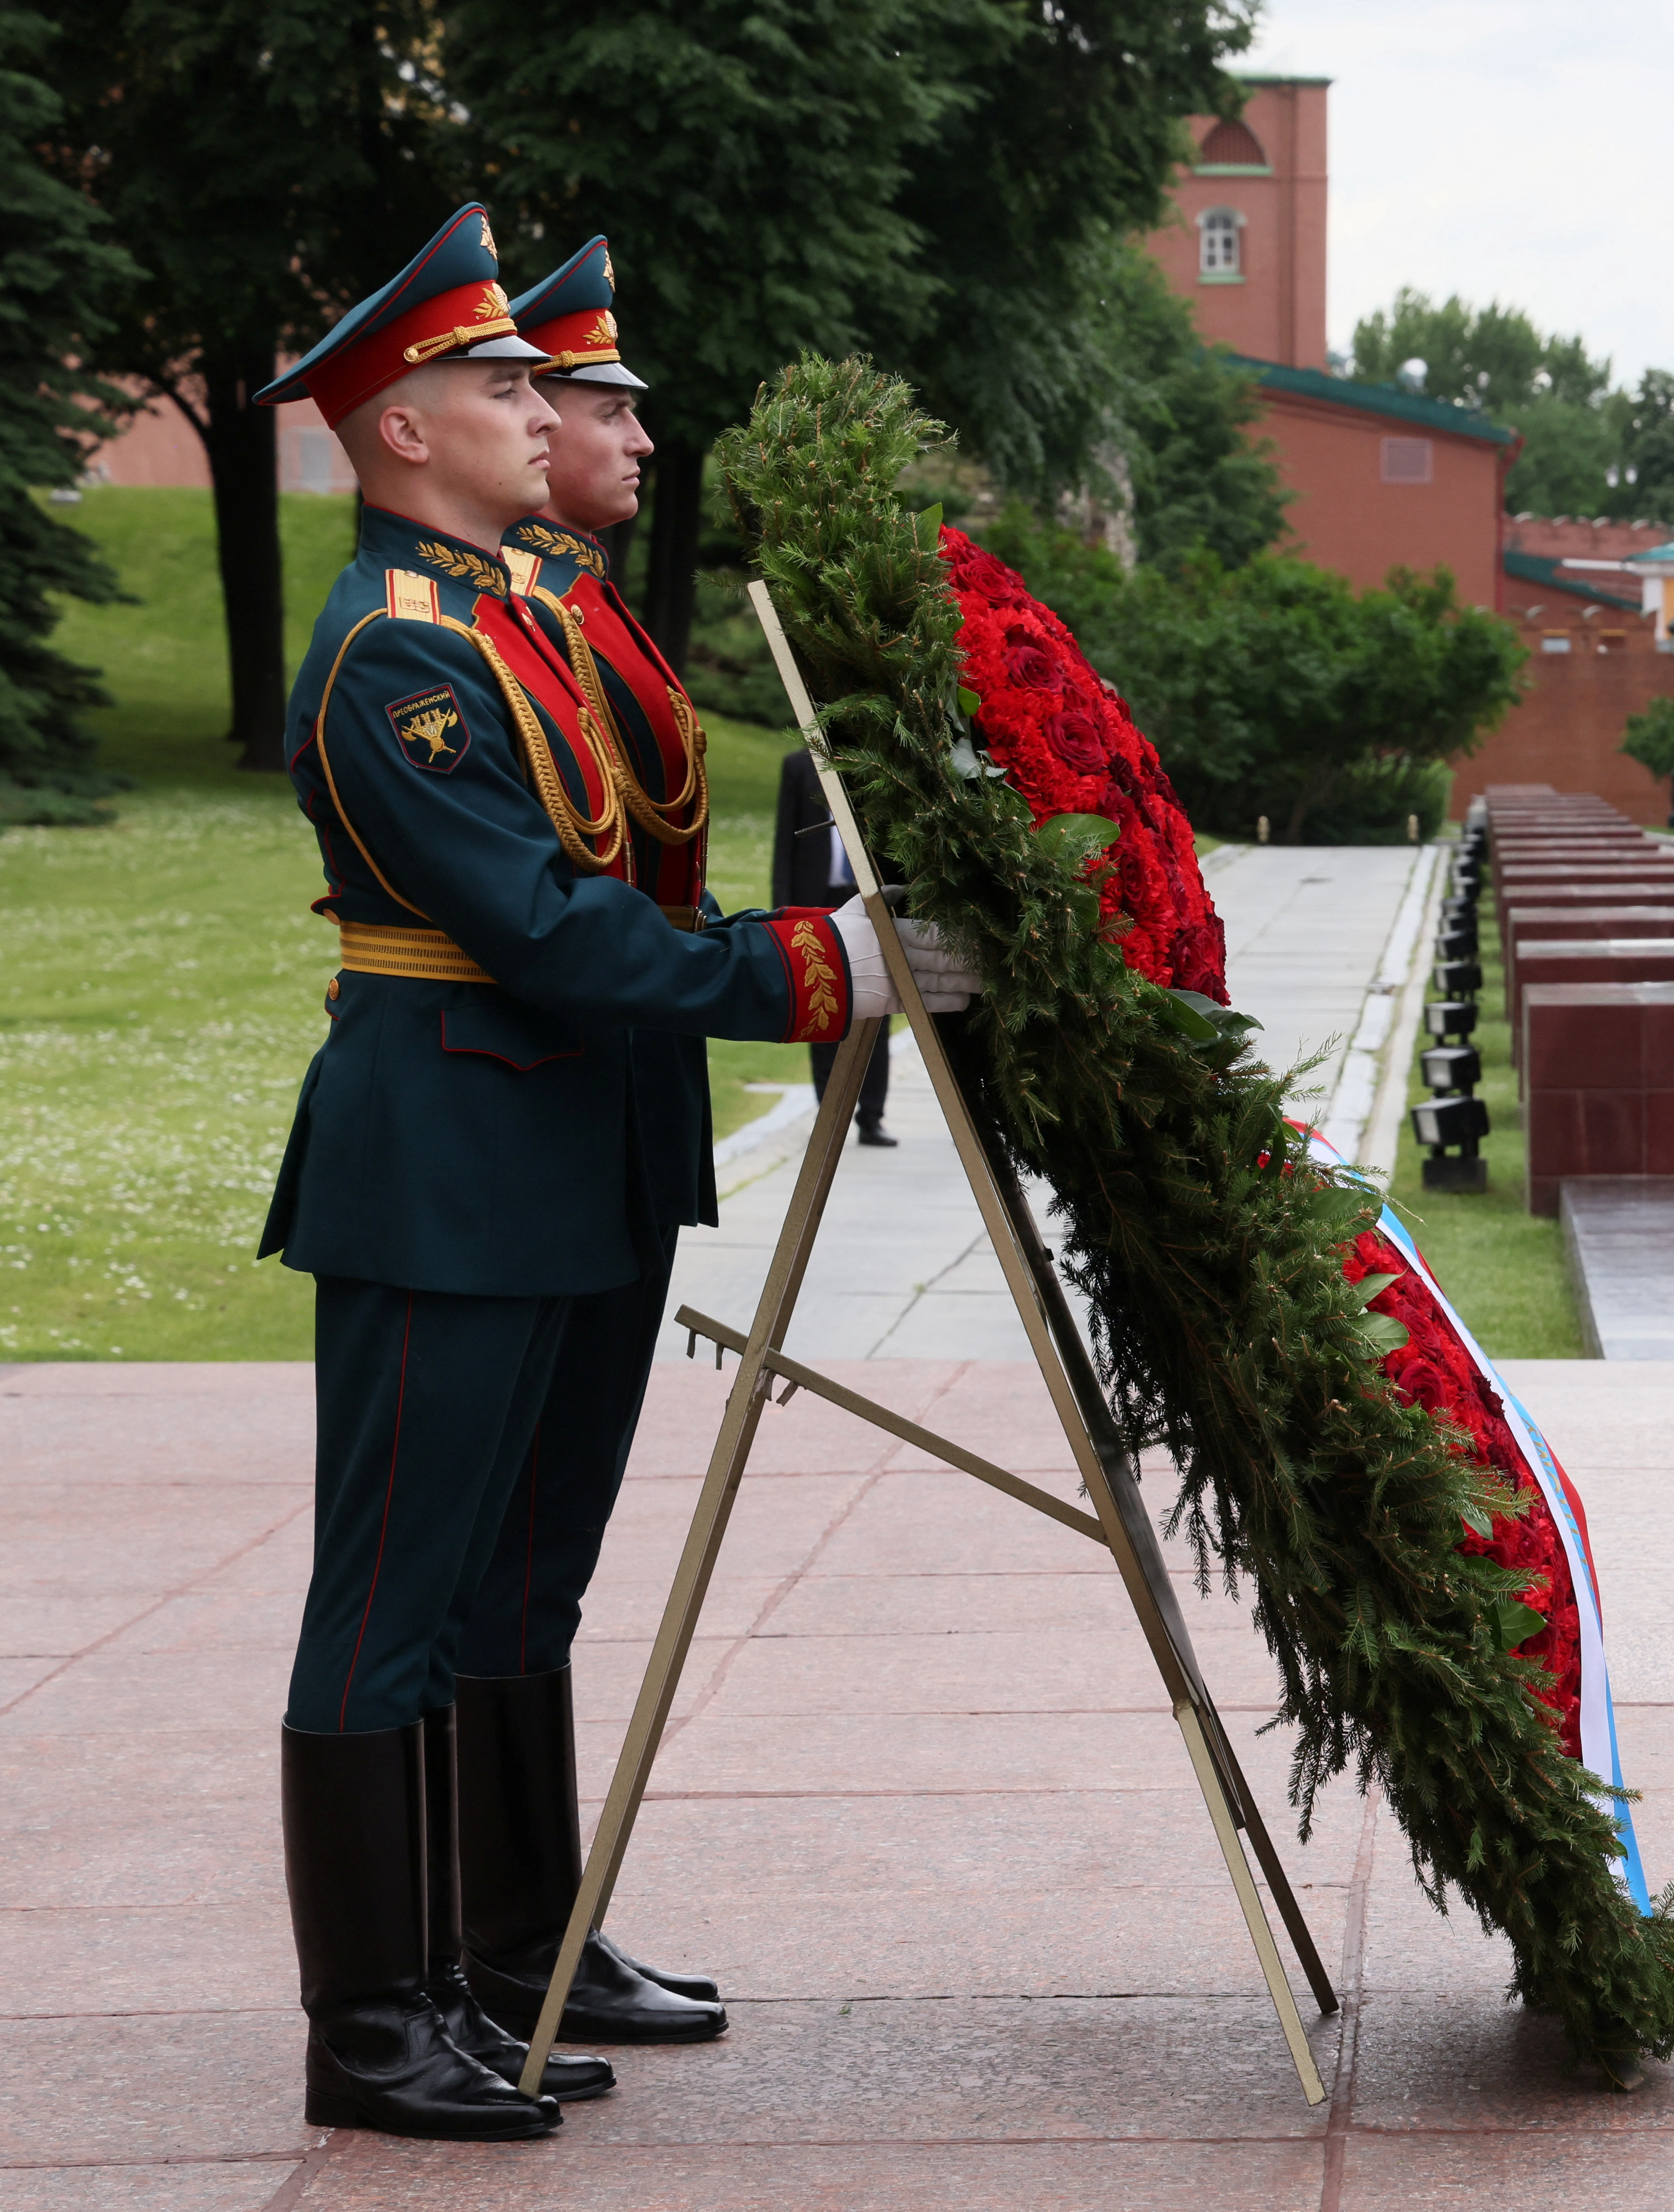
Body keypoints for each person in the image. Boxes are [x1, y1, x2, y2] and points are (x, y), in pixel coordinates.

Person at [250, 205, 979, 2142]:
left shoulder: (508, 623)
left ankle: (499, 1956)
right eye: (500, 385)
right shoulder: (397, 659)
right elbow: (554, 930)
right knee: (393, 1591)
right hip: (449, 1161)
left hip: (552, 1147)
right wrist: (826, 965)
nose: (543, 408)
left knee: (516, 1579)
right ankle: (372, 2017)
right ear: (402, 428)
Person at [406, 238, 745, 2062]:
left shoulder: (579, 608)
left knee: (547, 1552)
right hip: (545, 1092)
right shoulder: (481, 625)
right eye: (583, 400)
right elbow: (558, 892)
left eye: (593, 399)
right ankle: (497, 1942)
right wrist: (783, 972)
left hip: (625, 1095)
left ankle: (536, 1934)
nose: (612, 433)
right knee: (497, 1552)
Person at [777, 747, 895, 1142]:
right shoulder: (798, 765)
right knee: (821, 1005)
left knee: (875, 1004)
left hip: (867, 899)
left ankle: (871, 1116)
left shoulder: (872, 758)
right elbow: (784, 841)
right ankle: (830, 1115)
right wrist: (782, 909)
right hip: (816, 901)